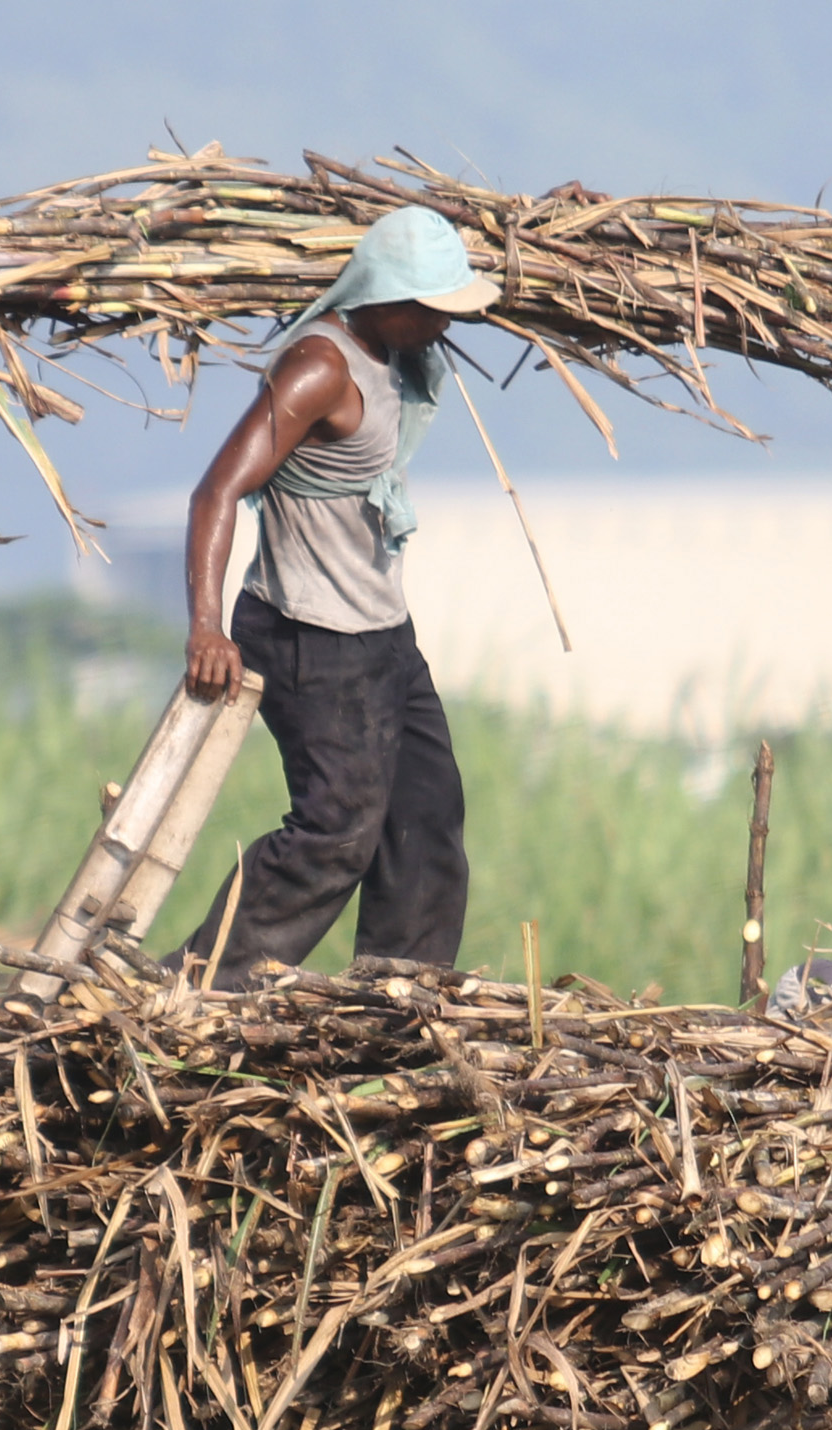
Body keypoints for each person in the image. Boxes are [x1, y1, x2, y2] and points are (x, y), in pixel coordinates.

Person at [171, 205, 502, 976]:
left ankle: (400, 991)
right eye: (430, 311)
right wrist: (205, 627)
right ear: (384, 299)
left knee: (425, 813)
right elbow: (217, 491)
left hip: (382, 630)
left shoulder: (393, 355)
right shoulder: (318, 369)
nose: (442, 328)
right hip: (307, 634)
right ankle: (207, 982)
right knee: (336, 829)